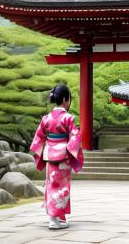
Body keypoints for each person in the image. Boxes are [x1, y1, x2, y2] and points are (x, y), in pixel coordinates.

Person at [30, 84, 84, 230]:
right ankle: (54, 220)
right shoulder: (69, 118)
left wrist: (42, 152)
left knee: (51, 185)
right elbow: (75, 137)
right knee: (62, 187)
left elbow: (39, 138)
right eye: (69, 100)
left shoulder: (46, 118)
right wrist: (71, 151)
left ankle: (57, 217)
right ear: (66, 100)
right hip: (63, 157)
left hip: (50, 156)